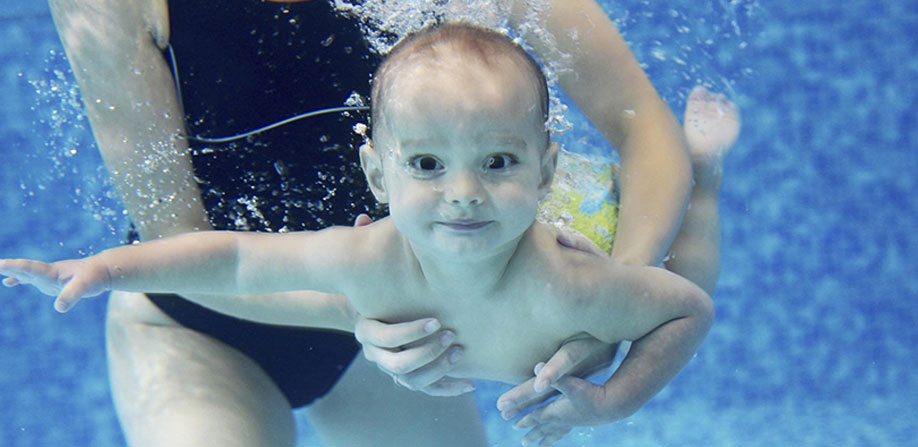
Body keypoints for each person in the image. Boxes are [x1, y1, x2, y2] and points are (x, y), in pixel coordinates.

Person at [3, 23, 736, 447]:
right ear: (379, 174)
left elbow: (642, 129)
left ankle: (714, 173)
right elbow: (218, 257)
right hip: (203, 326)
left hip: (405, 331)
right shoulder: (363, 258)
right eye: (425, 164)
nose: (463, 191)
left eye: (496, 162)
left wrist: (602, 315)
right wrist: (101, 266)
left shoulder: (553, 275)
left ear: (540, 169)